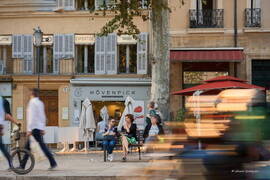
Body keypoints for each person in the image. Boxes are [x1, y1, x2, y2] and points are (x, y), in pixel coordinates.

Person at [21, 88, 57, 170]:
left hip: (34, 129)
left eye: (30, 93)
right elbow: (43, 116)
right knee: (29, 147)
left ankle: (53, 162)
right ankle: (22, 165)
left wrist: (29, 129)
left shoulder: (32, 102)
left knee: (39, 147)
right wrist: (42, 128)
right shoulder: (40, 103)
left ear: (32, 94)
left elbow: (31, 117)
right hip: (37, 128)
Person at [0, 96, 19, 170]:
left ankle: (11, 164)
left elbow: (7, 116)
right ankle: (11, 164)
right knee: (2, 147)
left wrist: (16, 123)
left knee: (2, 147)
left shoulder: (2, 101)